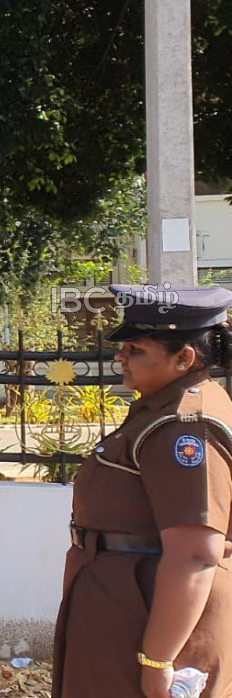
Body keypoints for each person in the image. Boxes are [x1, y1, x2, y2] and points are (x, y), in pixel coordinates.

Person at [53, 285, 232, 698]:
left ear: (183, 359)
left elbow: (194, 553)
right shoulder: (165, 408)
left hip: (151, 614)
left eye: (135, 349)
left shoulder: (185, 427)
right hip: (128, 604)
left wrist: (158, 659)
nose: (120, 357)